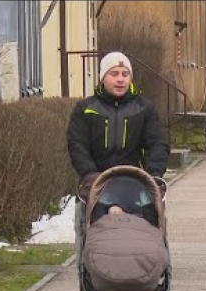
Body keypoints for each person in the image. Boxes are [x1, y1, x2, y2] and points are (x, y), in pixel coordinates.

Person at [67, 51, 170, 268]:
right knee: (90, 234)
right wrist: (90, 175)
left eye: (125, 74)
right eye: (114, 73)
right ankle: (88, 276)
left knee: (145, 230)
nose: (120, 78)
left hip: (134, 183)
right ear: (103, 77)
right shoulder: (86, 109)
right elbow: (77, 145)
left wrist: (152, 176)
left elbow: (158, 143)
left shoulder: (144, 109)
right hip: (95, 182)